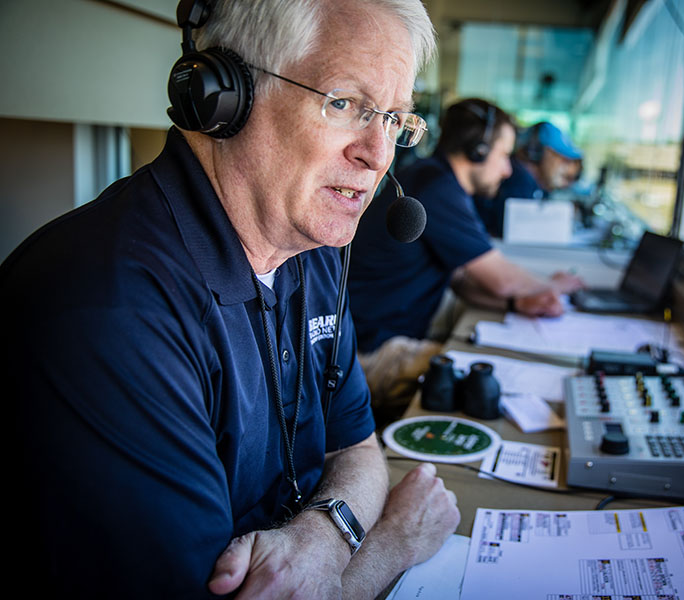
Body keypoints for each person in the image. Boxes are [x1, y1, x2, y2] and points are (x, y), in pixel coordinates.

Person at [1, 0, 459, 597]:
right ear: (226, 98)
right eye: (345, 104)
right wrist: (391, 542)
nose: (378, 155)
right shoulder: (106, 311)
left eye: (396, 119)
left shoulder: (314, 253)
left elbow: (358, 447)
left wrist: (323, 536)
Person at [348, 99, 584, 418]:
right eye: (503, 155)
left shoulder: (432, 179)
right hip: (372, 353)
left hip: (383, 338)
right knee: (493, 382)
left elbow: (461, 280)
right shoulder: (436, 189)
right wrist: (555, 284)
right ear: (478, 151)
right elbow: (502, 280)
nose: (508, 169)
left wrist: (515, 305)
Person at [474, 120, 584, 237]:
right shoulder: (518, 179)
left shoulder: (535, 184)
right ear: (536, 151)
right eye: (563, 160)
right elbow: (518, 231)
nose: (566, 168)